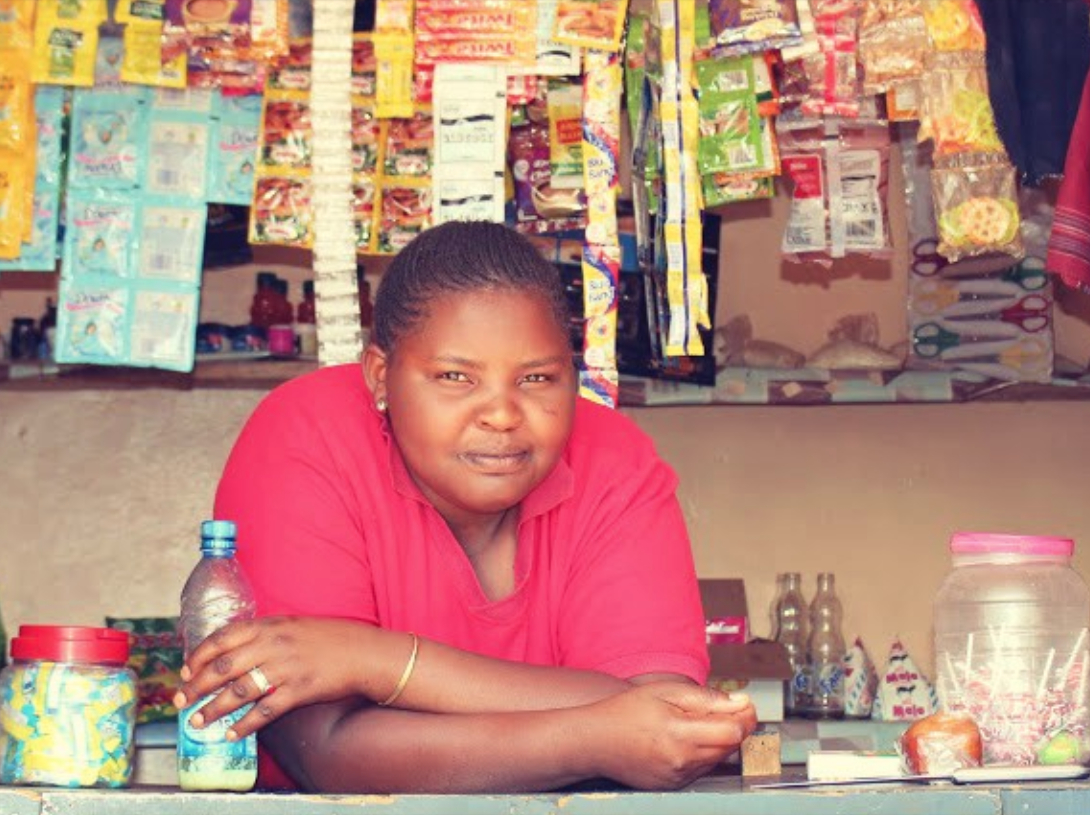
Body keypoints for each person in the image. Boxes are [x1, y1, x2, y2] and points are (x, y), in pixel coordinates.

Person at [173, 220, 756, 794]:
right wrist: (594, 736)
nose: (501, 414)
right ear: (381, 376)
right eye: (455, 376)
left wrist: (379, 662)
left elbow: (670, 720)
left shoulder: (615, 460)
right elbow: (324, 752)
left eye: (536, 378)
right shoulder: (308, 436)